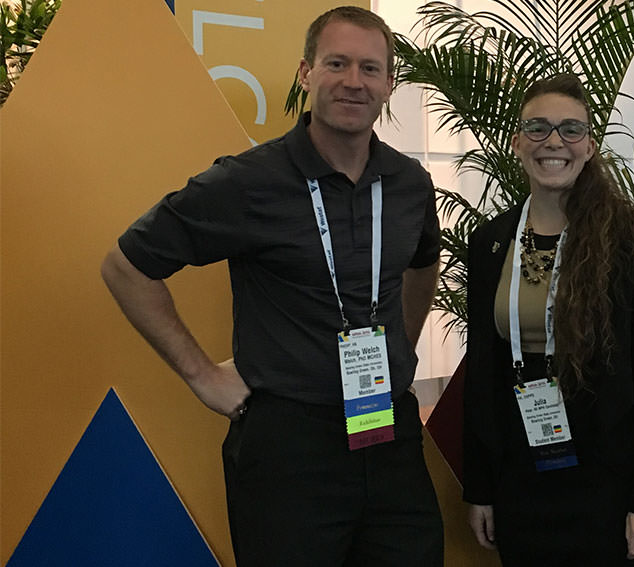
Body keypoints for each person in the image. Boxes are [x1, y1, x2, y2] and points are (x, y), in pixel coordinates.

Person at [100, 6, 444, 566]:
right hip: (289, 446)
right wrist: (202, 376)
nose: (353, 81)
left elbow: (423, 262)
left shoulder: (409, 184)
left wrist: (400, 342)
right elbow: (126, 266)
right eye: (336, 63)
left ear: (388, 84)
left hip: (389, 433)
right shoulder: (248, 180)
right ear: (306, 73)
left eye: (370, 68)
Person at [463, 73, 634, 566]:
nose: (553, 141)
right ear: (517, 142)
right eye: (537, 127)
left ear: (589, 146)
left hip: (612, 484)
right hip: (521, 479)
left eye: (570, 129)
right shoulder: (491, 241)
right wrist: (479, 487)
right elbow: (483, 372)